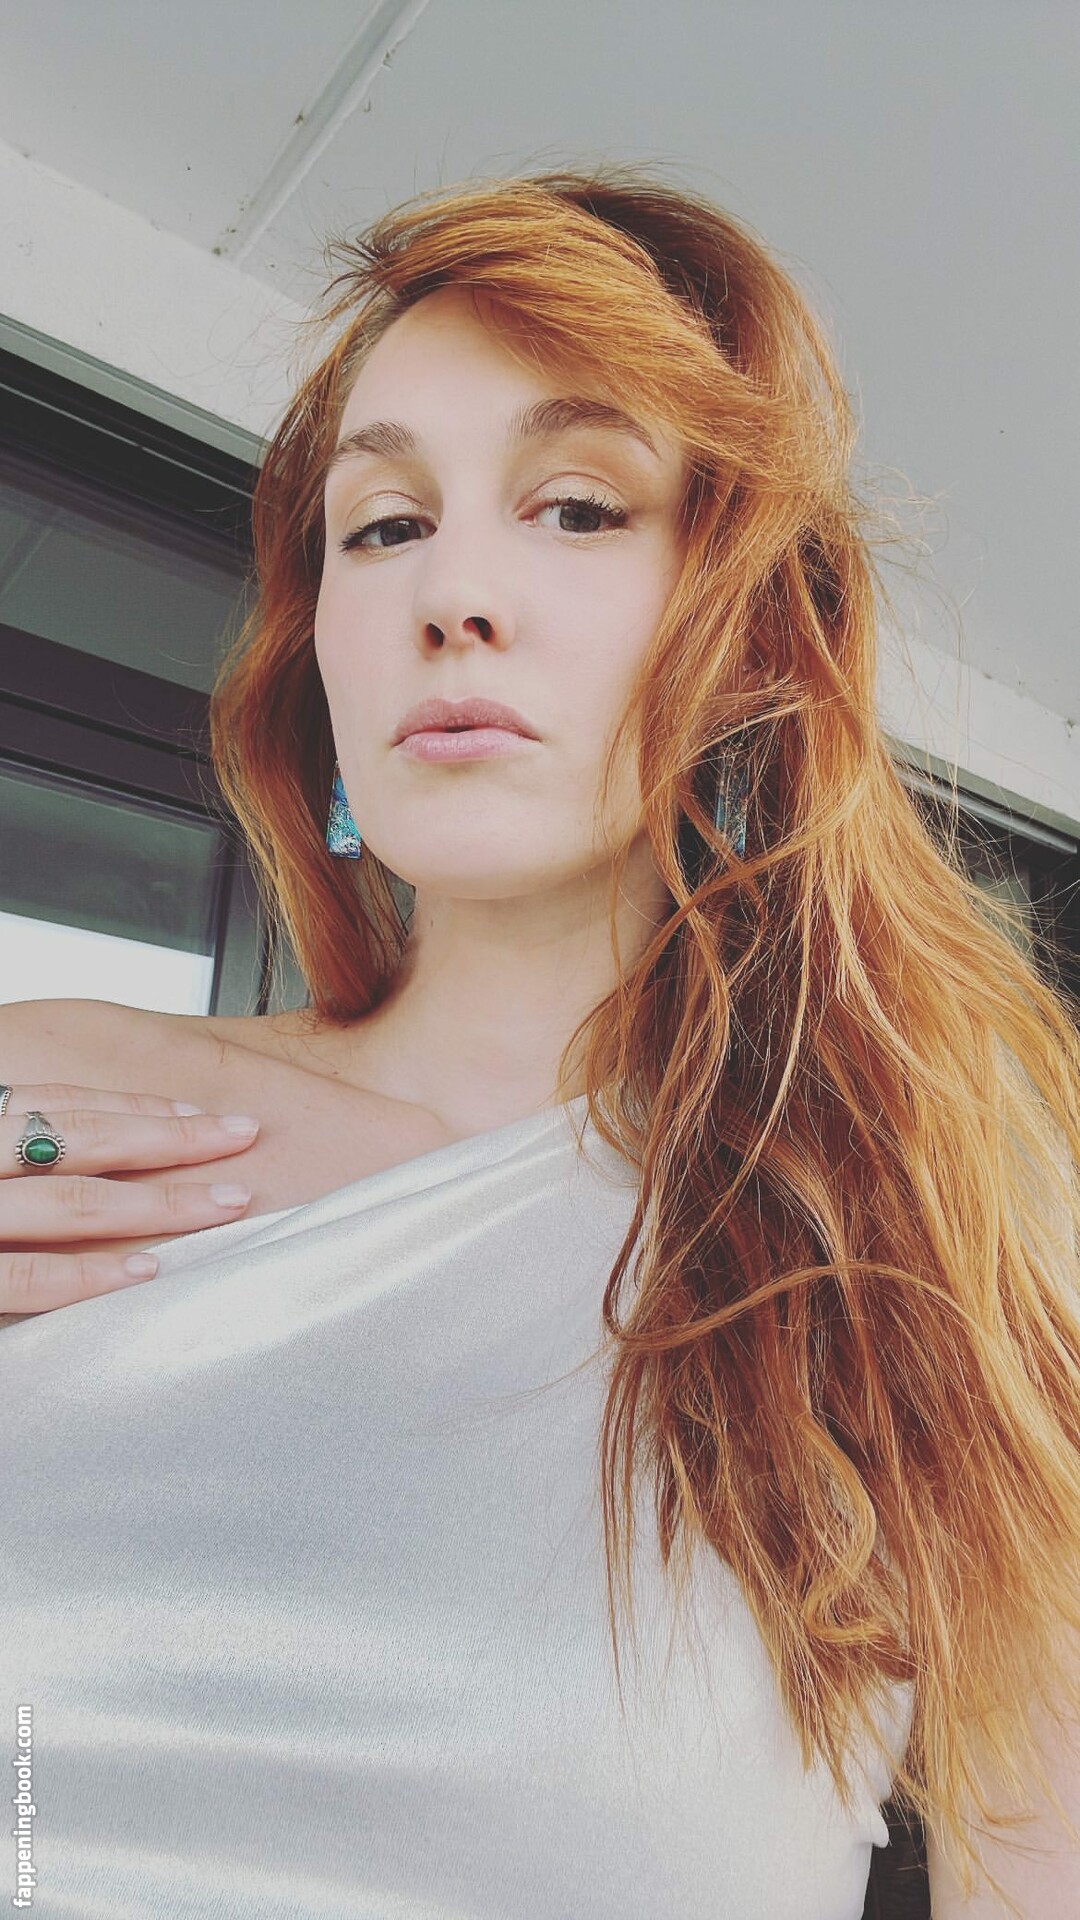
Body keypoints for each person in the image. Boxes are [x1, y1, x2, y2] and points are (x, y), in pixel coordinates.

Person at [1, 166, 1078, 1919]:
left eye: (577, 507)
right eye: (383, 525)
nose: (454, 593)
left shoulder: (920, 1261)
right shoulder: (54, 1099)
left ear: (746, 635)